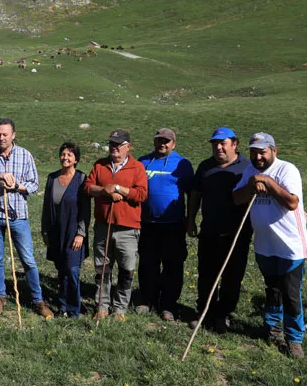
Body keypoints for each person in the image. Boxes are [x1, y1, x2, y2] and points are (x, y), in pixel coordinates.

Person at [233, 133, 307, 359]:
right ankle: (272, 327)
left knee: (291, 294)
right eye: (254, 152)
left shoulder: (287, 170)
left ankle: (294, 339)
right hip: (264, 245)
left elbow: (292, 202)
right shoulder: (250, 171)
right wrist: (251, 185)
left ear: (274, 150)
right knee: (272, 289)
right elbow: (237, 198)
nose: (258, 157)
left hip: (290, 245)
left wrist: (267, 182)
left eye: (262, 152)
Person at [0, 118, 54, 319]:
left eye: (5, 134)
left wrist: (16, 185)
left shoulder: (24, 155)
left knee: (28, 259)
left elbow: (34, 184)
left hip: (18, 215)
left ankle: (38, 300)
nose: (1, 138)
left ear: (13, 135)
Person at [186, 127, 251, 333]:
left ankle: (224, 314)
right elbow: (195, 194)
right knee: (206, 274)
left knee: (232, 276)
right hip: (209, 230)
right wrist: (190, 220)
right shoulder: (206, 166)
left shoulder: (247, 168)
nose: (219, 147)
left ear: (235, 144)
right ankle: (205, 312)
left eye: (223, 143)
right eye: (215, 144)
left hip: (237, 233)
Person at [84, 129, 148, 322]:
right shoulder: (100, 165)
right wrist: (105, 190)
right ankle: (102, 306)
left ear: (128, 147)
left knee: (126, 269)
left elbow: (142, 194)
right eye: (112, 144)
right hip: (104, 226)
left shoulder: (137, 168)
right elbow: (88, 187)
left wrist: (120, 189)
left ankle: (120, 308)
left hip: (128, 229)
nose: (114, 148)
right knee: (102, 268)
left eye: (118, 145)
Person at [137, 128, 194, 322]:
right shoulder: (143, 162)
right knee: (147, 263)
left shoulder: (183, 164)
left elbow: (192, 193)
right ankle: (147, 299)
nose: (163, 143)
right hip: (148, 223)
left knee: (173, 266)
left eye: (167, 141)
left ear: (174, 144)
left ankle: (168, 305)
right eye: (160, 140)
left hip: (173, 224)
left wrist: (191, 219)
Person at [41, 142, 91, 318]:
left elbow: (85, 210)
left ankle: (74, 309)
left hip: (73, 230)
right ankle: (63, 305)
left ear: (76, 159)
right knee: (61, 269)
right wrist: (44, 231)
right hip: (55, 231)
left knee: (72, 270)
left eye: (70, 155)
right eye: (63, 154)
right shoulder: (52, 178)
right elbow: (46, 207)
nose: (65, 158)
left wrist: (81, 233)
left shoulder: (82, 179)